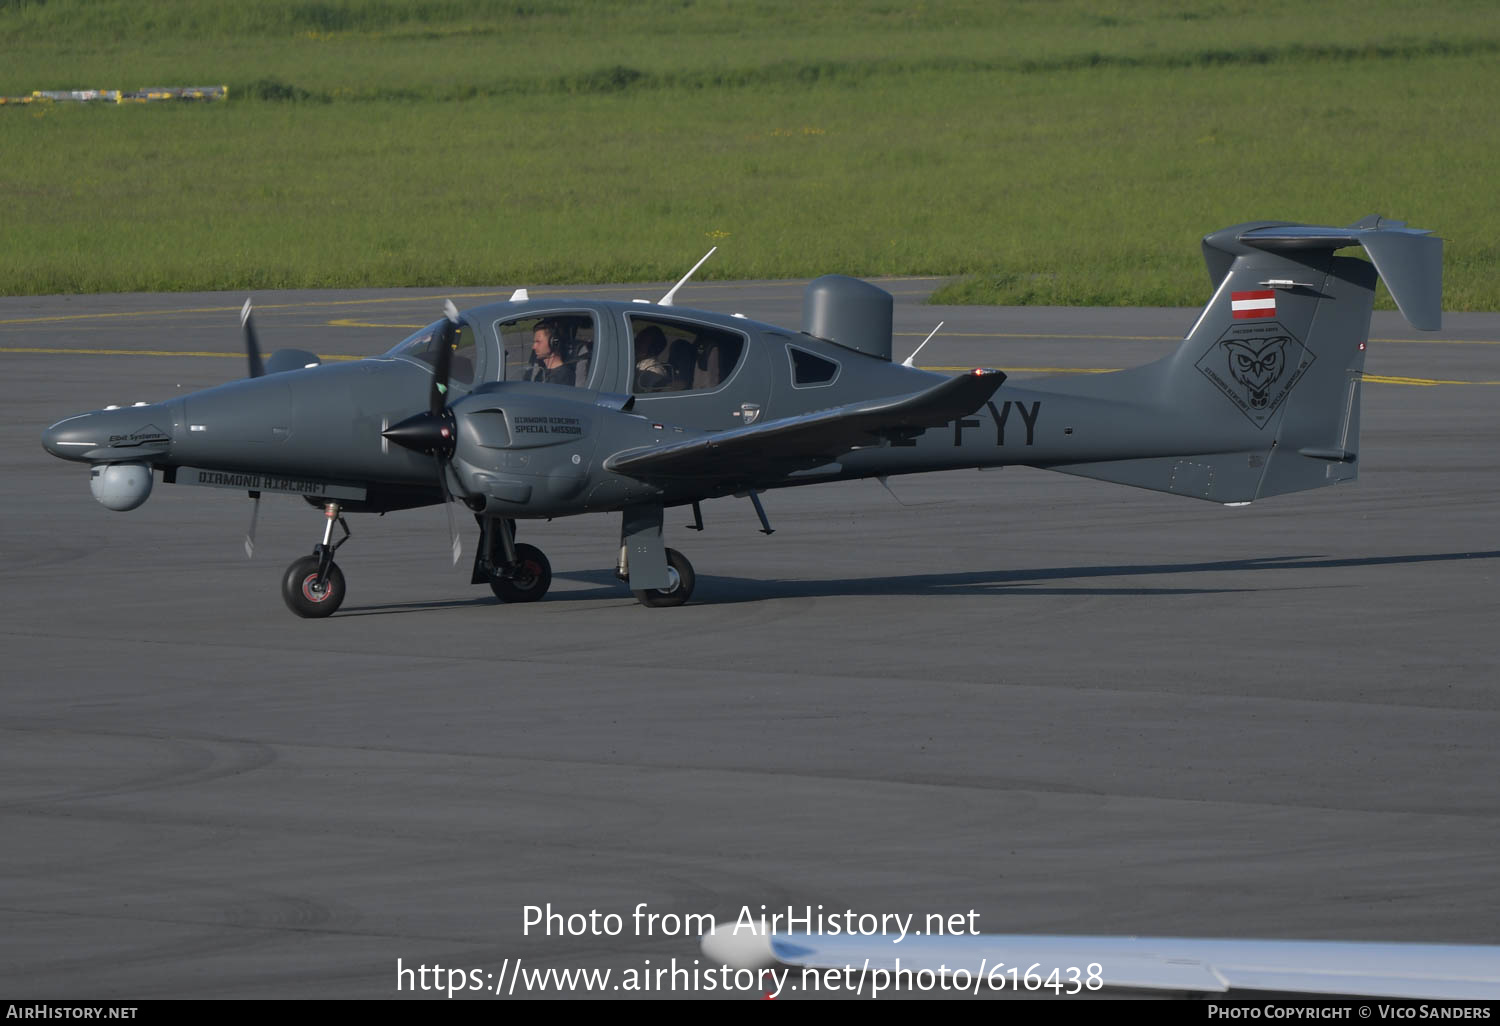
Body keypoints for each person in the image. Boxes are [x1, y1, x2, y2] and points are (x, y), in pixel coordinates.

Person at [525, 319, 577, 386]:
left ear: (553, 343)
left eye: (538, 342)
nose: (533, 347)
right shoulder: (542, 372)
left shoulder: (563, 376)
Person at [634, 325, 672, 392]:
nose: (636, 342)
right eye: (637, 338)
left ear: (652, 349)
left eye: (642, 341)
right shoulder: (634, 361)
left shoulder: (654, 371)